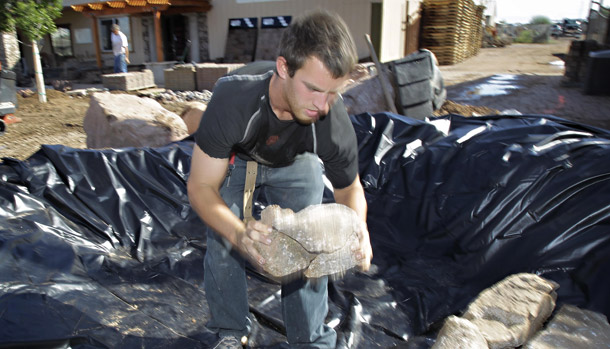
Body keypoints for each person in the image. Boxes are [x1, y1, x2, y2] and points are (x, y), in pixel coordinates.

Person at [187, 10, 373, 349]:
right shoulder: (233, 102)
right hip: (239, 157)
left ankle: (311, 340)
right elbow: (200, 187)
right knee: (224, 236)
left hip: (294, 160)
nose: (323, 105)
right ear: (284, 67)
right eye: (314, 89)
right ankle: (230, 331)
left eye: (333, 93)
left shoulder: (331, 122)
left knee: (311, 240)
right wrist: (240, 232)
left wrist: (358, 227)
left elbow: (349, 188)